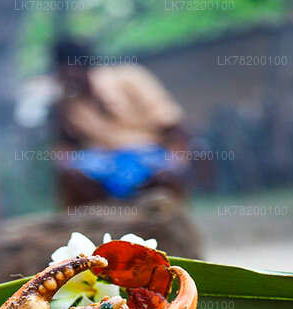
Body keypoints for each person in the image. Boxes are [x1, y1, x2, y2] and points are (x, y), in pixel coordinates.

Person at [50, 38, 189, 208]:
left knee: (167, 176)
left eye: (68, 70)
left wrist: (176, 163)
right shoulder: (67, 103)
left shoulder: (129, 79)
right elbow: (67, 146)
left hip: (148, 156)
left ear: (80, 67)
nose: (65, 77)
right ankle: (95, 227)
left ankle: (166, 226)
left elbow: (173, 125)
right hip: (104, 163)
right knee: (72, 177)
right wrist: (65, 163)